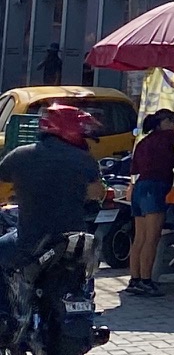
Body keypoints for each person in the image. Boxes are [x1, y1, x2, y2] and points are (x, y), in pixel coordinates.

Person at [0, 104, 102, 278]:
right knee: (84, 273)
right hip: (73, 242)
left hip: (29, 242)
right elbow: (97, 194)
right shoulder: (85, 159)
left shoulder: (19, 155)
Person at [127, 107, 174, 296]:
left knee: (139, 238)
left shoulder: (143, 142)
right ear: (164, 123)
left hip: (139, 189)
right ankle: (146, 281)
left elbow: (134, 169)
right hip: (155, 188)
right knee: (152, 238)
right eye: (173, 123)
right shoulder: (166, 137)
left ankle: (134, 280)